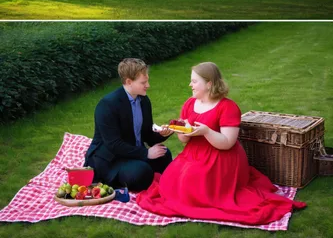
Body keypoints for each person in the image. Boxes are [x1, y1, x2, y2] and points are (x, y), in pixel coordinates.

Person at [136, 62, 306, 226]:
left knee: (192, 181)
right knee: (170, 180)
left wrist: (207, 131)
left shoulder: (228, 107)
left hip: (221, 156)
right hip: (194, 153)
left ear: (209, 84)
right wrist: (181, 129)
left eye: (194, 81)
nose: (190, 85)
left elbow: (227, 143)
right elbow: (184, 140)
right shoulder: (189, 104)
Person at [84, 58, 173, 192]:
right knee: (142, 172)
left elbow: (147, 135)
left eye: (147, 80)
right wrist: (146, 153)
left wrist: (162, 134)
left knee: (164, 154)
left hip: (133, 153)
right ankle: (115, 178)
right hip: (111, 159)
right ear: (128, 82)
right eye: (143, 82)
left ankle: (151, 177)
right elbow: (113, 144)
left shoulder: (143, 100)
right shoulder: (107, 105)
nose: (148, 85)